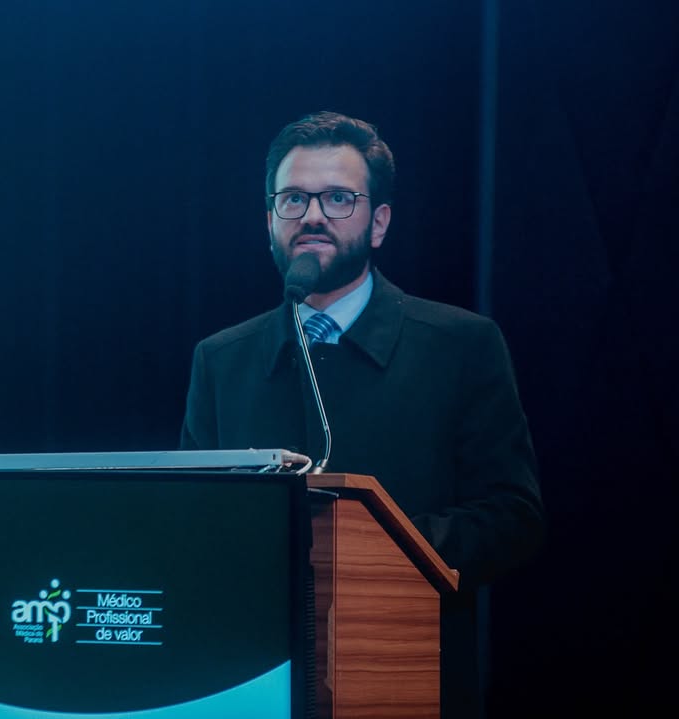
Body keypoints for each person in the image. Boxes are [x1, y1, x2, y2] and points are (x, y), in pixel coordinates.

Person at [179, 111, 544, 718]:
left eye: (338, 198)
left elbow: (513, 516)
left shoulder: (459, 345)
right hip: (248, 682)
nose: (312, 215)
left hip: (404, 676)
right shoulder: (222, 359)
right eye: (293, 199)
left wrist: (374, 550)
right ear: (269, 221)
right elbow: (192, 522)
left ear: (379, 223)